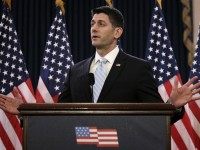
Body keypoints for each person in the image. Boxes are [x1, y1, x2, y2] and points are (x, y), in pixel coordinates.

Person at [0, 6, 200, 116]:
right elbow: (59, 116)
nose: (93, 28)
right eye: (92, 24)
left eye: (101, 24)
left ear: (117, 32)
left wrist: (173, 105)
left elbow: (155, 117)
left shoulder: (138, 68)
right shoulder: (76, 71)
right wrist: (23, 112)